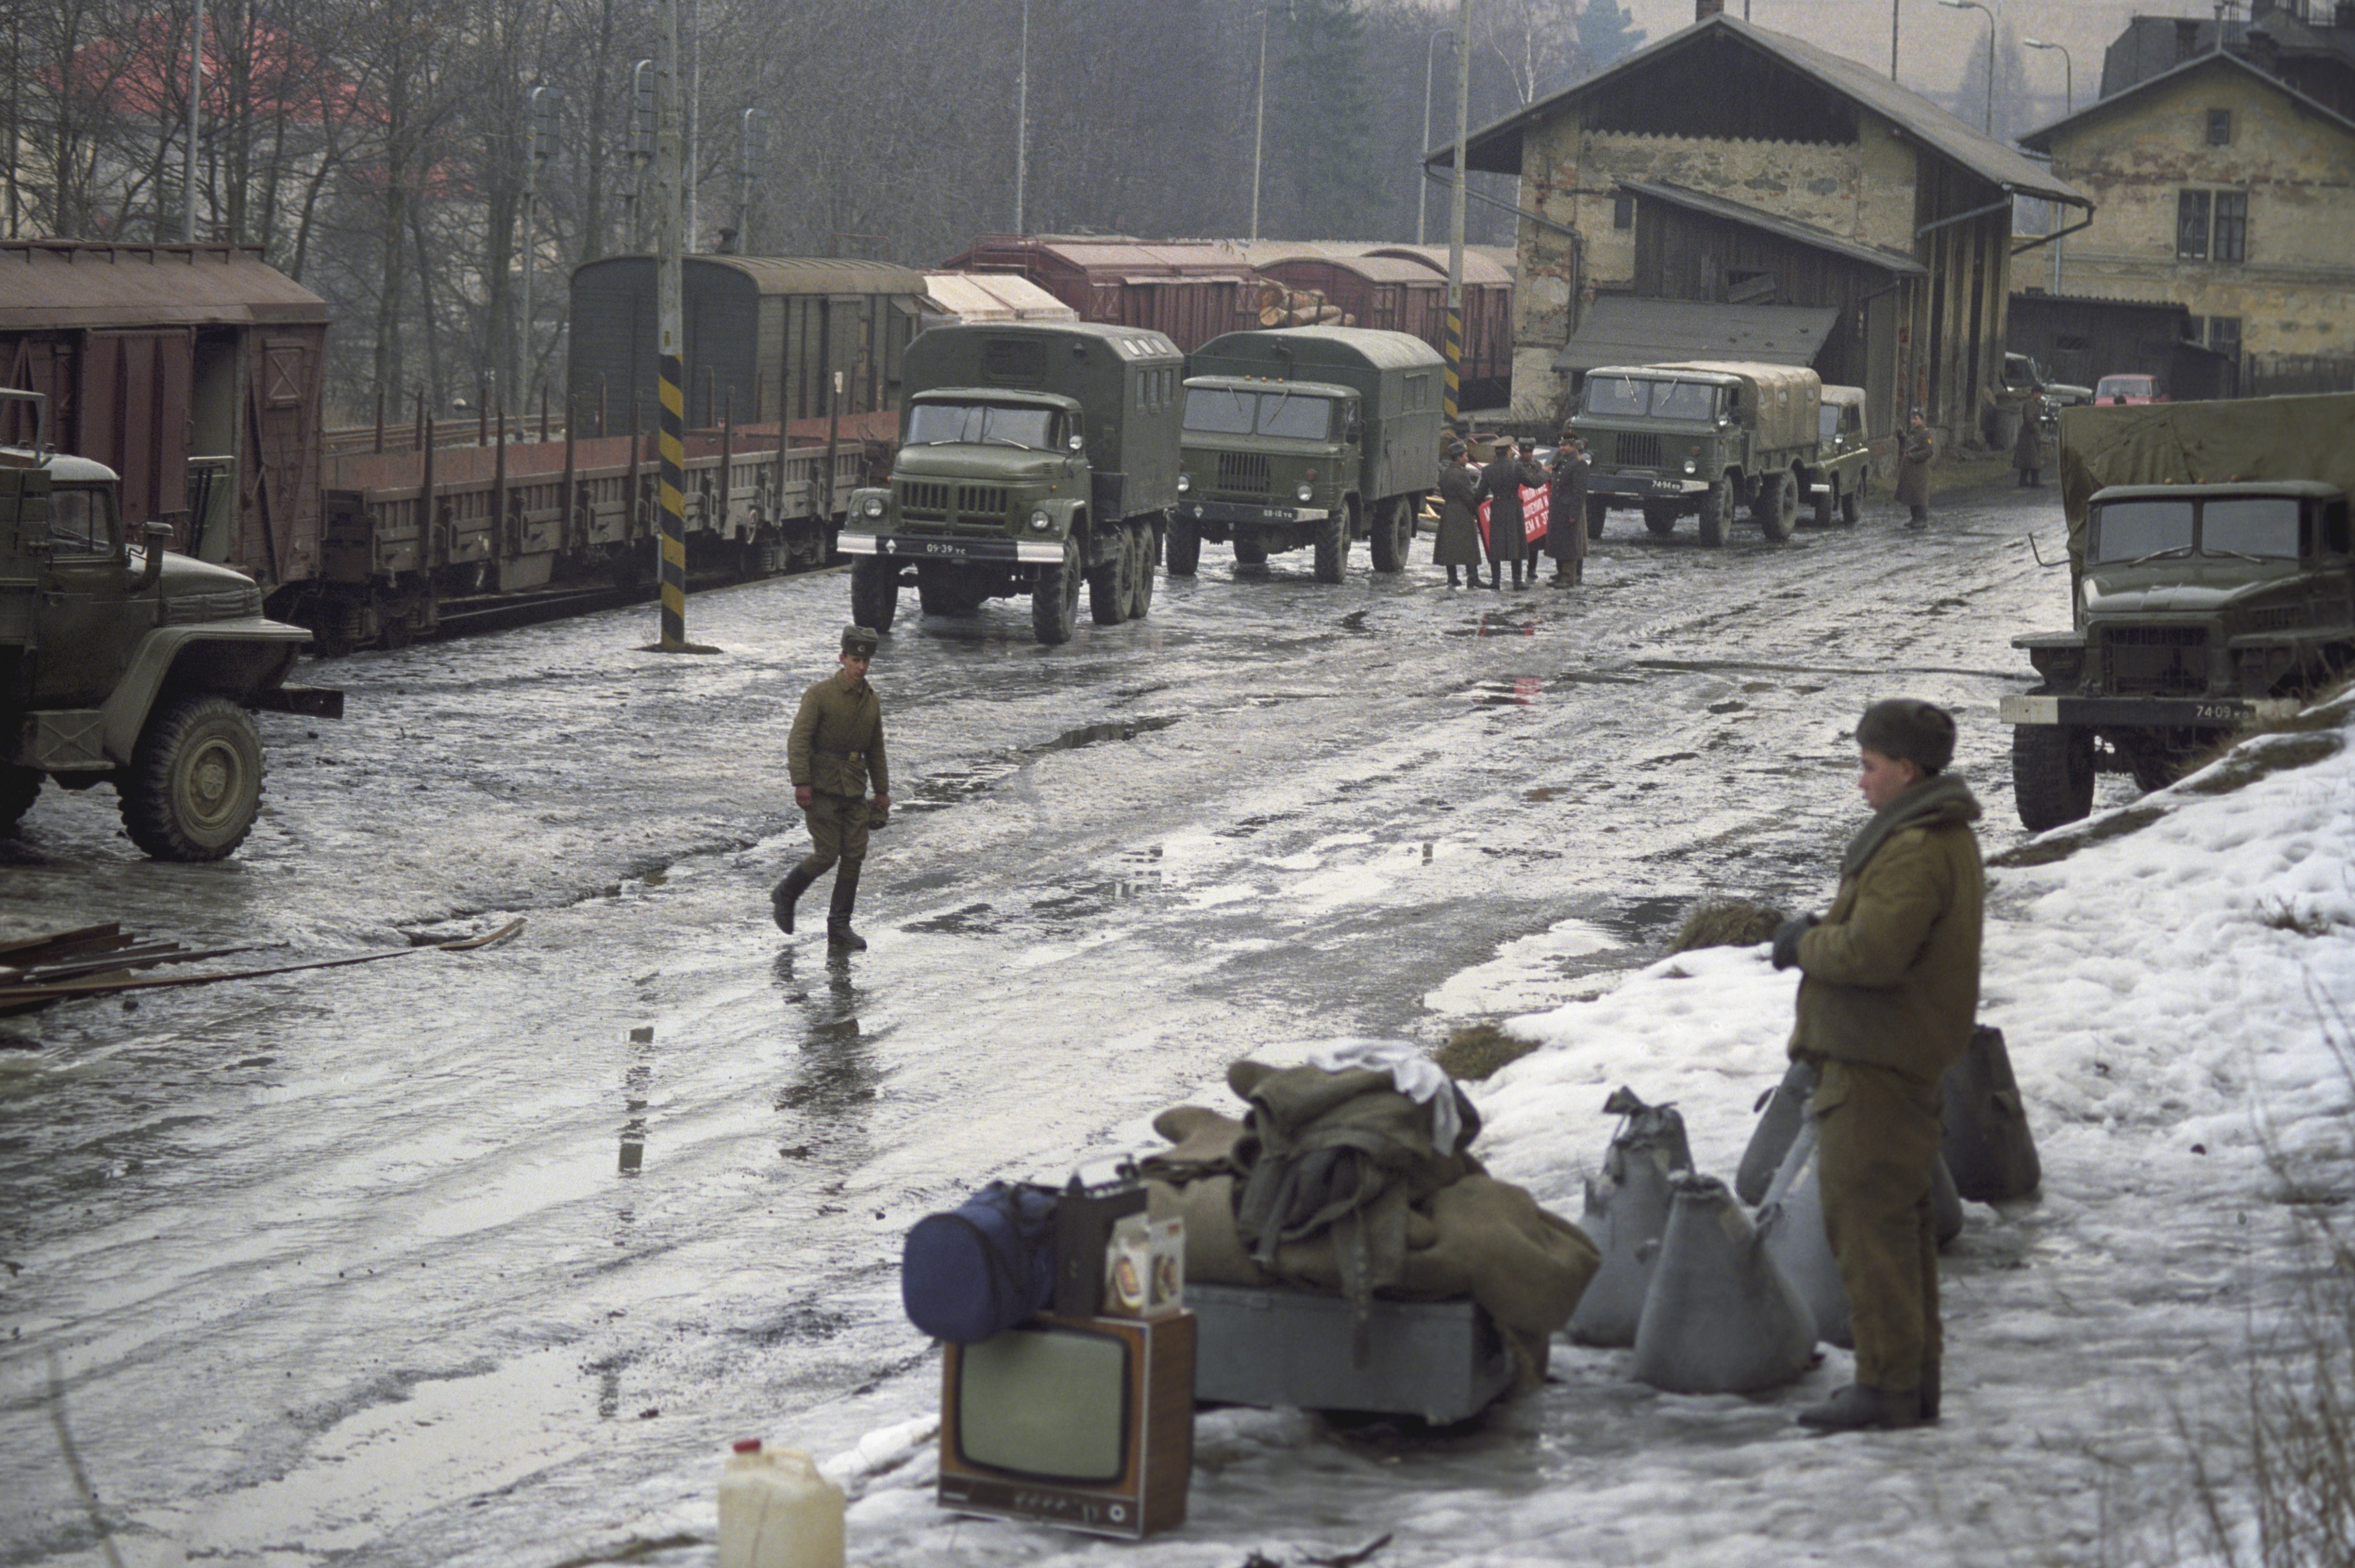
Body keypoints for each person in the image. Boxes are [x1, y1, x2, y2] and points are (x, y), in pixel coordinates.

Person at [1771, 699, 1984, 1432]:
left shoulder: (1916, 849)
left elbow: (1873, 954)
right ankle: (1908, 1380)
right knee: (1901, 1226)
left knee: (1871, 1228)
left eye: (1869, 766)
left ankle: (1890, 1386)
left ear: (1906, 769)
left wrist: (1803, 944)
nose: (1860, 780)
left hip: (1877, 1066)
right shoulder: (1933, 837)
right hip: (1896, 1058)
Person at [772, 626, 891, 953]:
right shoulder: (820, 694)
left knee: (854, 855)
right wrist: (801, 782)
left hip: (855, 789)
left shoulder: (871, 701)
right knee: (827, 853)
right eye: (855, 660)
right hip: (822, 787)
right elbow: (799, 740)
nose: (862, 667)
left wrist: (882, 792)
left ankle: (839, 927)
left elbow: (876, 749)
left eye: (866, 662)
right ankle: (786, 893)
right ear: (842, 659)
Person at [1477, 438, 1544, 590]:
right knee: (1516, 542)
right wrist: (1545, 473)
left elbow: (1480, 495)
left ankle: (1495, 581)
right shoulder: (1517, 468)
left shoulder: (1487, 470)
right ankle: (1517, 581)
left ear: (1496, 453)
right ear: (1508, 452)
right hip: (1514, 507)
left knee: (1496, 543)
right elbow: (1534, 483)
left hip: (1498, 508)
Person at [1432, 439, 1484, 588]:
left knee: (1450, 546)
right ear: (1459, 457)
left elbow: (1443, 494)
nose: (1467, 459)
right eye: (1466, 456)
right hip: (1462, 513)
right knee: (1470, 546)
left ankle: (1452, 577)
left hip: (1448, 511)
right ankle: (1473, 578)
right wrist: (1476, 510)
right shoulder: (1461, 475)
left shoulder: (1446, 473)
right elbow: (1469, 497)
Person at [1545, 432, 1590, 587]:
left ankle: (1568, 577)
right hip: (1558, 508)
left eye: (1565, 446)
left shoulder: (1579, 464)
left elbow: (1579, 493)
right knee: (1559, 542)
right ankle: (1560, 573)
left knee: (1570, 544)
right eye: (1561, 446)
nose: (1562, 448)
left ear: (1573, 446)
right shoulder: (1563, 461)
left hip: (1569, 508)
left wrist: (1574, 513)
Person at [1896, 411, 1934, 528]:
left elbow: (1929, 452)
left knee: (1920, 495)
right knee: (1912, 494)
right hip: (1911, 469)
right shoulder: (1913, 433)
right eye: (1912, 419)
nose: (1913, 421)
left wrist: (1915, 456)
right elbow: (1908, 443)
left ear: (1921, 420)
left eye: (1916, 419)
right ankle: (1914, 518)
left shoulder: (1925, 434)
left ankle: (1923, 519)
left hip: (1920, 470)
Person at [2013, 387, 2046, 489]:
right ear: (2035, 393)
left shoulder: (2035, 403)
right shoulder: (2030, 404)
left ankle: (2025, 480)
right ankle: (2033, 481)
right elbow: (2029, 419)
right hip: (2029, 434)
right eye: (2039, 393)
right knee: (2032, 458)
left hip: (2031, 434)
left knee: (2029, 458)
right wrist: (2035, 429)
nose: (2041, 396)